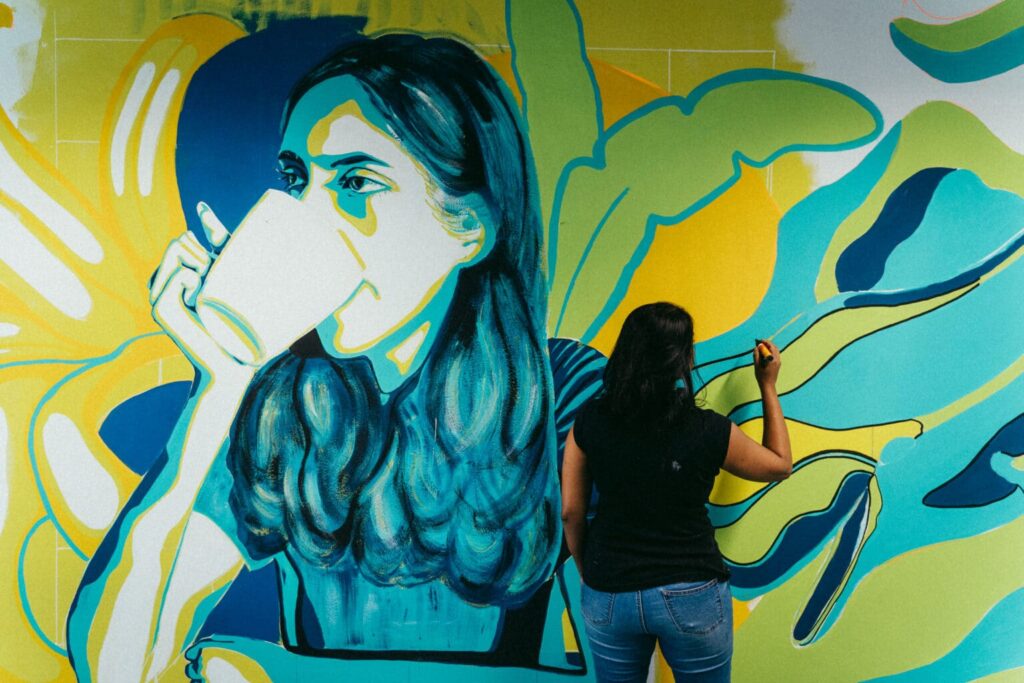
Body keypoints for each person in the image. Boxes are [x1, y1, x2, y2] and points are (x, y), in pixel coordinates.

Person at [67, 33, 571, 681]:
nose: (309, 222)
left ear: (469, 227)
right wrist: (217, 390)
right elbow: (113, 666)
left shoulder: (565, 393)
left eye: (356, 182)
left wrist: (273, 671)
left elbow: (614, 660)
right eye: (296, 180)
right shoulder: (285, 408)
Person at [560, 302, 792, 682]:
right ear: (682, 358)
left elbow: (571, 511)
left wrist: (592, 572)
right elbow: (779, 464)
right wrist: (767, 385)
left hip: (610, 589)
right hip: (691, 591)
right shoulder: (707, 429)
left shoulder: (589, 421)